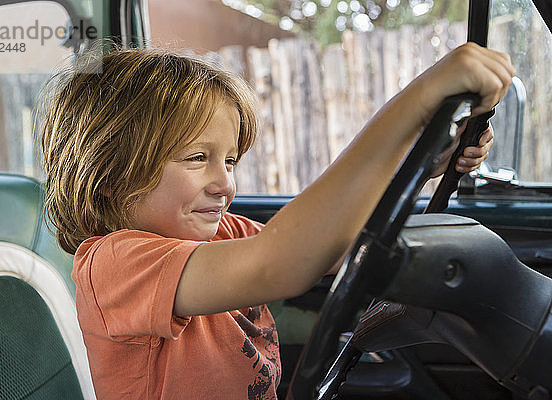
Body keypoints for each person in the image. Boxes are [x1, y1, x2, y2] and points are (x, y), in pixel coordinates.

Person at [41, 42, 512, 400]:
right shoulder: (115, 265)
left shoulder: (225, 235)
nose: (223, 183)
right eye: (196, 157)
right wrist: (418, 101)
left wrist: (421, 164)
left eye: (229, 160)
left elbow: (331, 247)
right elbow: (283, 262)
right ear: (110, 177)